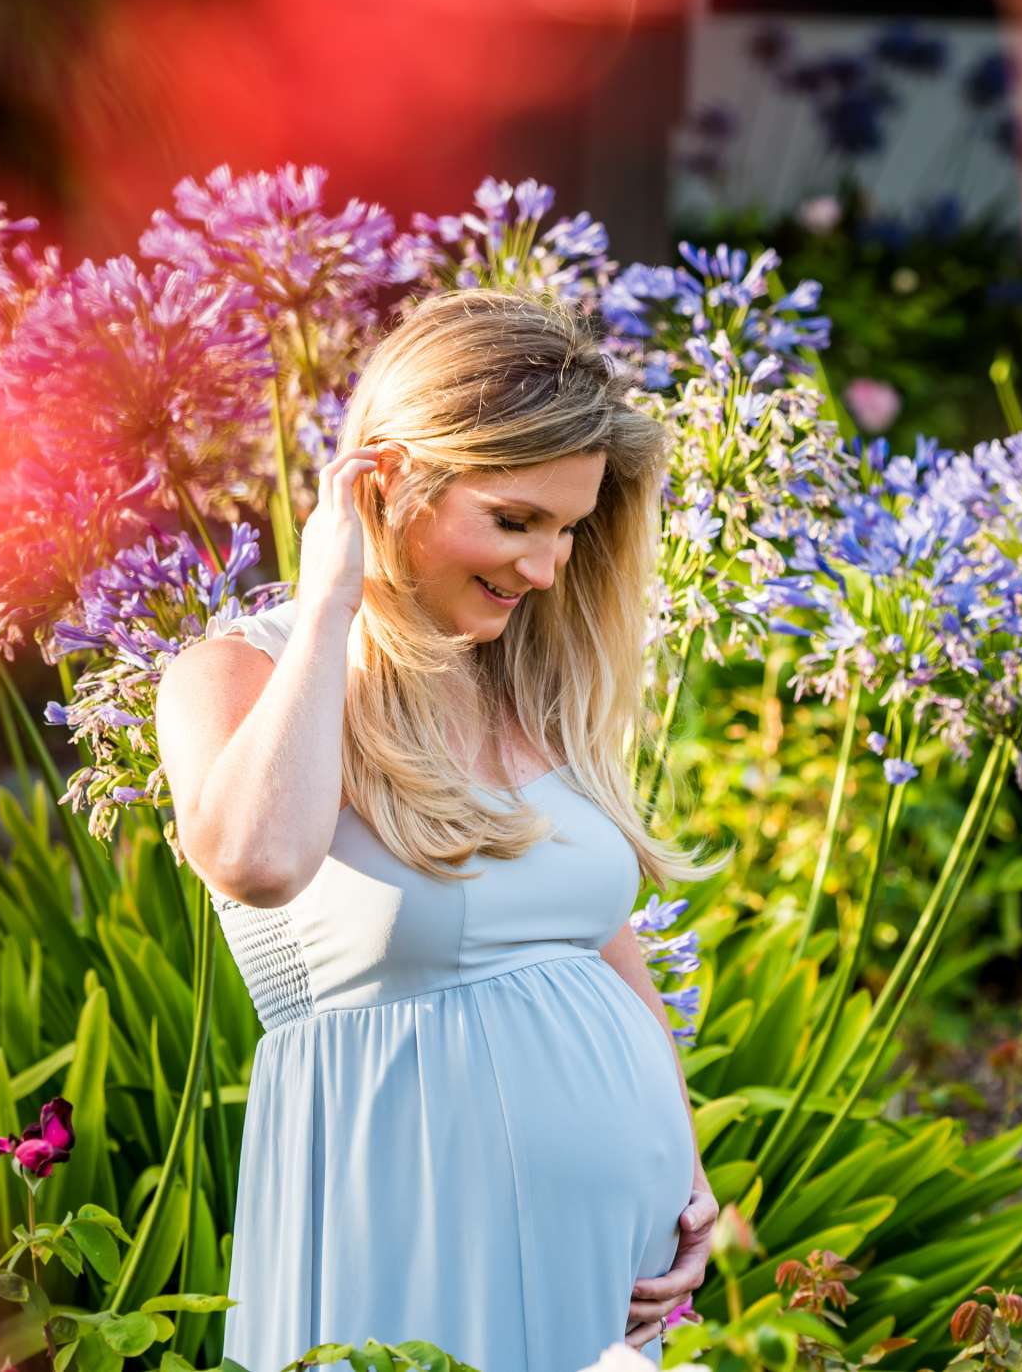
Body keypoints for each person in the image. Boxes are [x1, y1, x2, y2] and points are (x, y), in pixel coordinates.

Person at [155, 290, 726, 1372]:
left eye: (569, 528)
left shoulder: (525, 683)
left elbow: (601, 945)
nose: (546, 568)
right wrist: (332, 594)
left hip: (612, 1270)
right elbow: (257, 864)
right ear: (390, 481)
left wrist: (683, 1166)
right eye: (515, 520)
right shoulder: (242, 674)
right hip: (409, 1226)